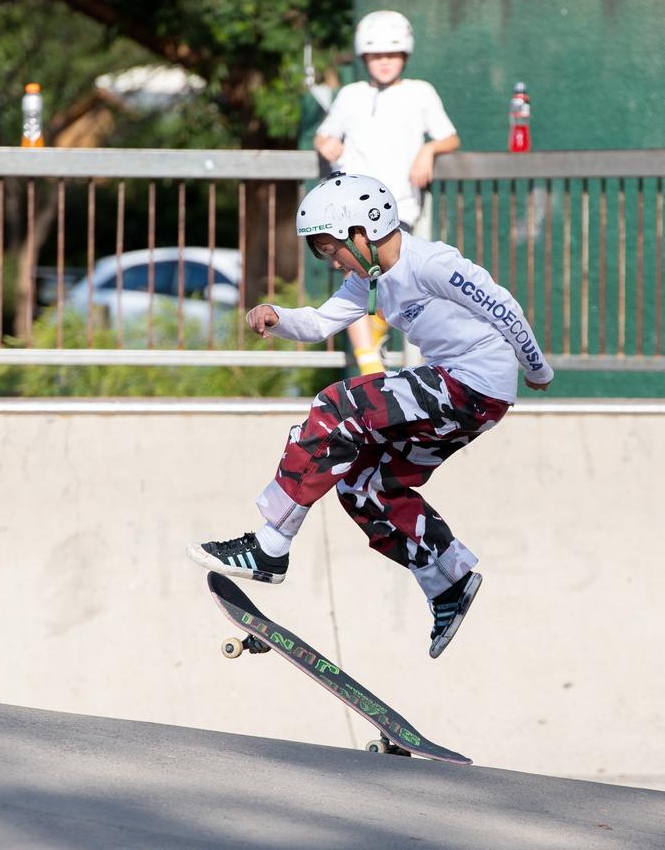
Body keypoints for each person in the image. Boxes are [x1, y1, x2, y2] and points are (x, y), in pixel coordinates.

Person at [187, 173, 553, 659]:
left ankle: (271, 543)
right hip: (464, 397)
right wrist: (277, 314)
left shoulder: (431, 263)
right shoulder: (368, 280)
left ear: (364, 230)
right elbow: (320, 322)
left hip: (472, 382)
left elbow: (503, 308)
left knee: (336, 407)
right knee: (363, 484)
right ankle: (447, 580)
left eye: (330, 248)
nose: (331, 259)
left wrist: (537, 368)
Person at [314, 10, 460, 375]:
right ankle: (370, 365)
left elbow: (449, 136)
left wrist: (429, 151)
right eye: (377, 56)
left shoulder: (420, 92)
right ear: (365, 58)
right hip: (348, 209)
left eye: (391, 55)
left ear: (404, 56)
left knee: (391, 280)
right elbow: (324, 134)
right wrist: (324, 143)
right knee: (358, 278)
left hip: (397, 206)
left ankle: (374, 352)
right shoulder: (350, 95)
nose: (384, 63)